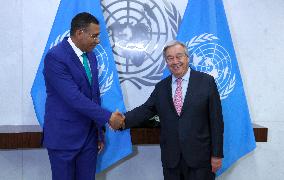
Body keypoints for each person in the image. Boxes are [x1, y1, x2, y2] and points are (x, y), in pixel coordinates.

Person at [120, 40, 224, 180]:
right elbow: (145, 110)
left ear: (187, 58)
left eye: (179, 56)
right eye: (170, 58)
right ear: (166, 62)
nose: (175, 61)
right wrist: (121, 121)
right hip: (172, 161)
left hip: (200, 160)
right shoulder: (161, 87)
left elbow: (216, 121)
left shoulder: (206, 82)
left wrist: (217, 154)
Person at [43, 12, 124, 180]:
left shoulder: (91, 57)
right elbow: (74, 98)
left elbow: (94, 96)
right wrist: (109, 117)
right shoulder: (55, 57)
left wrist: (98, 133)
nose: (98, 40)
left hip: (89, 139)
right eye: (94, 36)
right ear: (80, 33)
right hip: (63, 138)